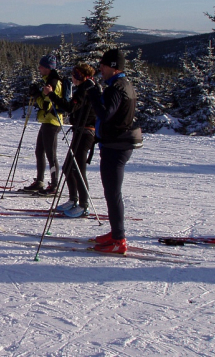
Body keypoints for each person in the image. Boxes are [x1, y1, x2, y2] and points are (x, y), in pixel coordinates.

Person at [86, 49, 142, 254]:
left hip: (115, 146)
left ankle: (119, 239)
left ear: (113, 67)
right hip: (117, 144)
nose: (100, 68)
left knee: (112, 193)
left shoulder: (116, 88)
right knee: (111, 193)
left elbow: (105, 114)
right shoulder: (122, 85)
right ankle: (115, 233)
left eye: (103, 65)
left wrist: (93, 93)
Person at [44, 63, 97, 217]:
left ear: (80, 76)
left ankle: (83, 205)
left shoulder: (85, 89)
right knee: (68, 167)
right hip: (79, 130)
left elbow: (70, 107)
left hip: (86, 132)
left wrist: (51, 95)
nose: (72, 79)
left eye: (74, 76)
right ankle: (73, 199)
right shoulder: (85, 88)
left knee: (78, 169)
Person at [21, 54, 64, 195]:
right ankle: (40, 181)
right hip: (47, 121)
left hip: (52, 121)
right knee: (40, 151)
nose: (39, 68)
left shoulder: (53, 82)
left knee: (51, 154)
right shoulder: (49, 80)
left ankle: (54, 184)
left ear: (47, 68)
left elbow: (46, 105)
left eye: (41, 66)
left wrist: (36, 95)